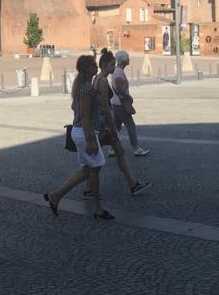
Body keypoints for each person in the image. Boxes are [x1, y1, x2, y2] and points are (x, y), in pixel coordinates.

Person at [43, 54, 113, 220]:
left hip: (81, 131)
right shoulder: (87, 89)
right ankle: (97, 208)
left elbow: (76, 108)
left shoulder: (81, 86)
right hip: (85, 132)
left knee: (88, 169)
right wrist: (90, 140)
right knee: (95, 169)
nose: (96, 68)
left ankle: (56, 195)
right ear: (85, 69)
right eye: (92, 66)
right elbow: (85, 117)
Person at [92, 50, 151, 196]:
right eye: (112, 64)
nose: (114, 67)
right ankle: (133, 182)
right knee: (95, 162)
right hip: (104, 124)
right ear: (105, 65)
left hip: (99, 123)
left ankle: (132, 184)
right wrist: (111, 127)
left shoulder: (97, 78)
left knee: (99, 159)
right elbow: (105, 107)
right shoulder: (104, 80)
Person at [110, 50, 150, 157]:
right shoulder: (119, 72)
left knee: (117, 126)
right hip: (121, 103)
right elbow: (119, 87)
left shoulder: (117, 71)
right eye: (128, 58)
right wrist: (128, 96)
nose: (129, 59)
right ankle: (136, 148)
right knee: (130, 125)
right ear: (123, 60)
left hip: (115, 103)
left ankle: (113, 148)